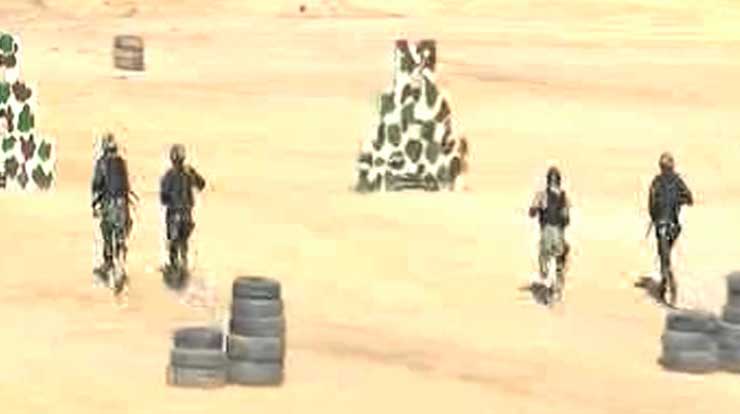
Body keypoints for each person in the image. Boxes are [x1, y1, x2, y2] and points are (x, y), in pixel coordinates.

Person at [648, 152, 693, 305]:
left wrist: (656, 217)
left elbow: (651, 205)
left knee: (664, 257)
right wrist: (678, 201)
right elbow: (690, 199)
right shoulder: (678, 181)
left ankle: (670, 290)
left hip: (662, 225)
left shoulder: (656, 182)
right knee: (665, 256)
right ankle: (665, 287)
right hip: (674, 227)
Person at [91, 133, 133, 281]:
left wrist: (95, 205)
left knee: (107, 234)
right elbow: (126, 185)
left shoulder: (101, 163)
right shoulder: (121, 162)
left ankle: (109, 264)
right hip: (123, 204)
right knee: (121, 236)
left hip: (109, 204)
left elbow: (97, 185)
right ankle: (121, 266)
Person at [159, 144, 206, 275]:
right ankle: (183, 264)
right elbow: (202, 184)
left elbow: (163, 198)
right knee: (184, 241)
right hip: (186, 214)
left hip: (174, 213)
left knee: (173, 241)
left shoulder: (168, 175)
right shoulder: (188, 172)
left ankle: (174, 265)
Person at [528, 166, 571, 302]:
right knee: (550, 256)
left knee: (552, 257)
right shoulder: (545, 195)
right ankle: (551, 283)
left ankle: (553, 284)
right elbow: (532, 211)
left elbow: (566, 217)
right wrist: (536, 208)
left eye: (554, 180)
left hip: (553, 230)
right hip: (551, 229)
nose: (553, 182)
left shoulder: (560, 196)